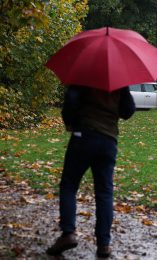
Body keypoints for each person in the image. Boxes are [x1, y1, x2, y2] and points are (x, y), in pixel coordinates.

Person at [46, 85, 135, 258]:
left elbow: (71, 101)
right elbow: (128, 111)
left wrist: (70, 121)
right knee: (104, 192)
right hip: (109, 140)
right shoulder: (118, 81)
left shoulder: (83, 75)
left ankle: (68, 233)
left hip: (84, 135)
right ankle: (103, 244)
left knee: (69, 185)